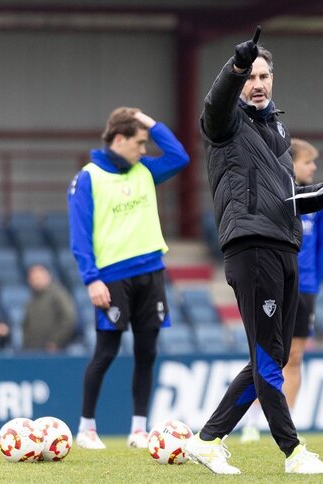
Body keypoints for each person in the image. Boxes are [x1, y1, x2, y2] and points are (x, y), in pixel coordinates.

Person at [186, 27, 323, 475]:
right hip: (250, 245)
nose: (257, 83)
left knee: (268, 358)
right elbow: (214, 104)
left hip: (284, 243)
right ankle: (293, 453)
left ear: (273, 79)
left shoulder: (277, 126)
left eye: (263, 75)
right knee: (267, 357)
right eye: (250, 76)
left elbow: (279, 191)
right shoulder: (225, 122)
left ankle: (208, 439)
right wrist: (232, 69)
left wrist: (315, 198)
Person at [68, 107, 189, 450]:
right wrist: (91, 279)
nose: (145, 150)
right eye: (139, 142)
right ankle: (87, 428)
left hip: (151, 272)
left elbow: (180, 157)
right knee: (105, 352)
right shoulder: (87, 178)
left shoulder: (145, 170)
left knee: (147, 352)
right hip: (112, 279)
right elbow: (80, 237)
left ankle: (138, 429)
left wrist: (149, 122)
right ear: (119, 140)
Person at [240, 138, 323, 444]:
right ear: (291, 164)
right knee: (268, 354)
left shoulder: (318, 203)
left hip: (305, 290)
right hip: (276, 282)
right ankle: (252, 419)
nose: (314, 167)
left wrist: (314, 288)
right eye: (308, 162)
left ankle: (286, 422)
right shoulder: (275, 195)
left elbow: (322, 249)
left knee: (295, 356)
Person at [22, 263, 77, 352]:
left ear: (48, 276)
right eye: (33, 279)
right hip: (32, 349)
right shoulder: (31, 299)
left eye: (39, 278)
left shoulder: (58, 294)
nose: (36, 281)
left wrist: (55, 342)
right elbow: (26, 324)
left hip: (53, 350)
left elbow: (69, 318)